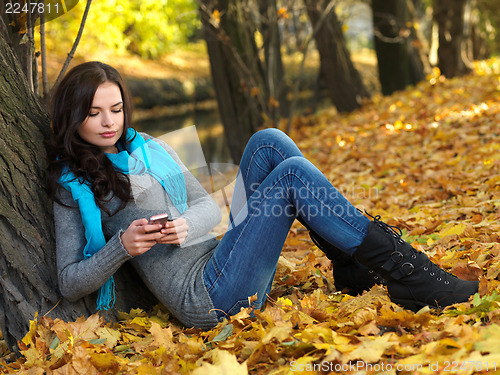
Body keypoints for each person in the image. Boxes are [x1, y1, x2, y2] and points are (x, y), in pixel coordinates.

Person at [46, 61, 479, 330]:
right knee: (290, 175)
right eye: (94, 112)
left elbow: (204, 209)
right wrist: (121, 247)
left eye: (116, 109)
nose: (109, 122)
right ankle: (407, 272)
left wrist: (183, 226)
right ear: (74, 115)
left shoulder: (150, 147)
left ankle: (352, 265)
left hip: (221, 255)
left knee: (269, 141)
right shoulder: (73, 185)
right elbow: (69, 283)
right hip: (208, 298)